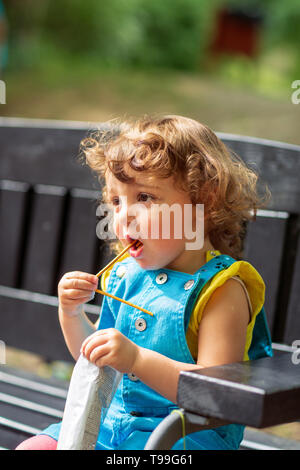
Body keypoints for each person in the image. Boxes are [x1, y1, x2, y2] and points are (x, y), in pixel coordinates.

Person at [16, 115, 272, 450]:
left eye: (145, 198)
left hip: (184, 436)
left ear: (203, 202)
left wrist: (137, 360)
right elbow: (97, 360)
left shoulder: (222, 290)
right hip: (112, 424)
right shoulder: (126, 278)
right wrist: (73, 314)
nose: (124, 216)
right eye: (117, 201)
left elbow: (215, 392)